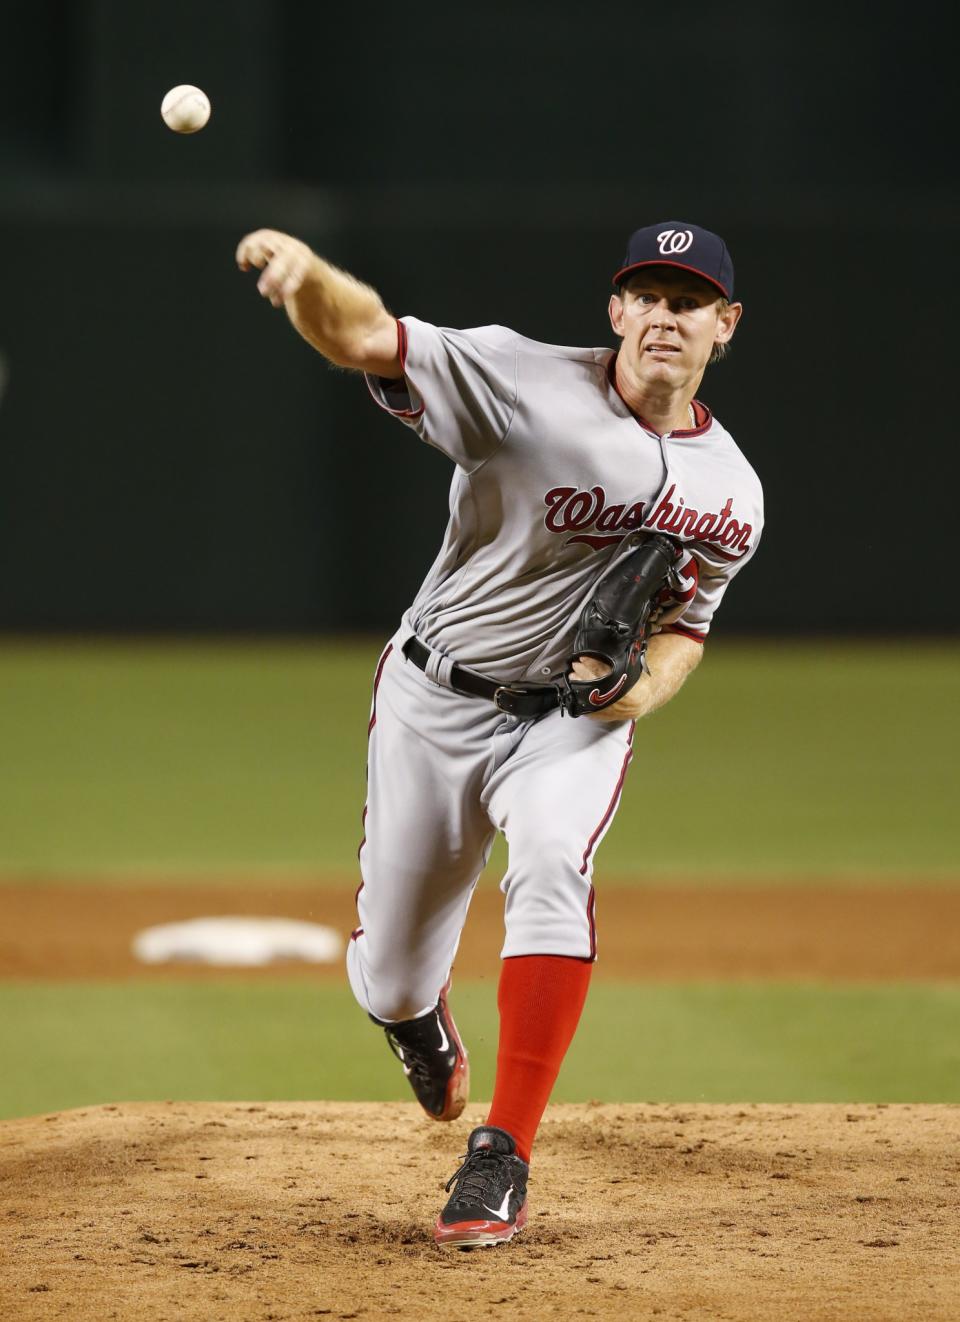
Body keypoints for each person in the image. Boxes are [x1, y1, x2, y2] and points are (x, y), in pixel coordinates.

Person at [236, 220, 763, 1248]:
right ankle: (413, 1019)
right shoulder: (518, 379)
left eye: (688, 299)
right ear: (616, 311)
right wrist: (307, 282)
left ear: (724, 325)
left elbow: (686, 631)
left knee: (556, 863)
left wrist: (633, 696)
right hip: (435, 702)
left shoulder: (732, 490)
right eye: (647, 294)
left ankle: (503, 1153)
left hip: (567, 725)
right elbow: (369, 338)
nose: (665, 314)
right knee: (390, 970)